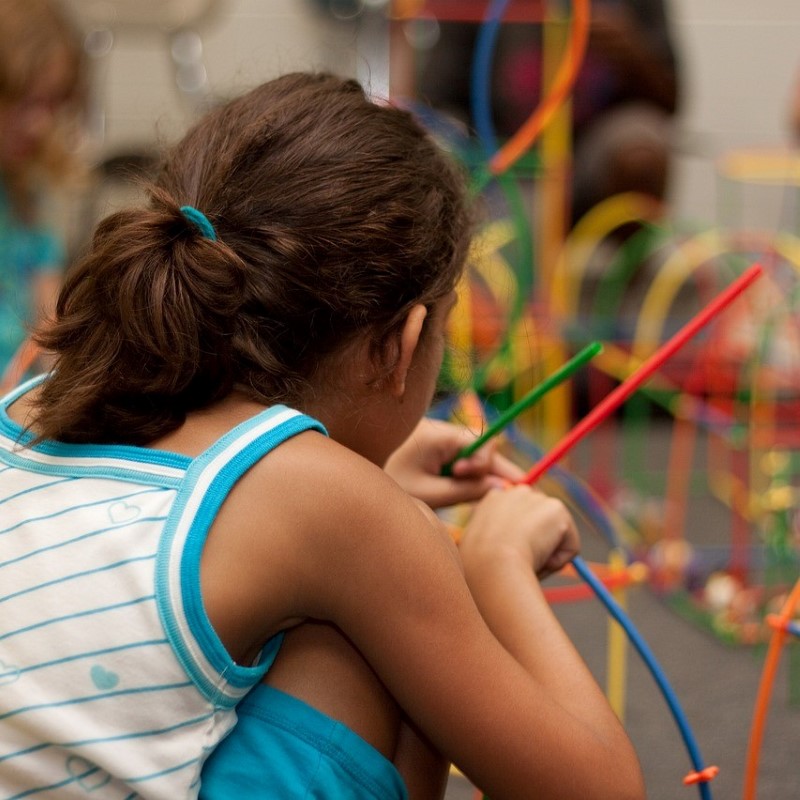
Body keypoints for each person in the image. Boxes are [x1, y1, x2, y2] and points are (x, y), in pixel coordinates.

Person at [0, 72, 645, 799]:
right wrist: (495, 565)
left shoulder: (37, 401)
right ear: (401, 345)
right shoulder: (341, 512)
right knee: (371, 637)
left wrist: (380, 484)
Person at [418, 0, 681, 225]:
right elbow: (435, 99)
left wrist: (630, 51)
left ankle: (627, 266)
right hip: (503, 159)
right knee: (523, 227)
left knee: (640, 155)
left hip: (593, 155)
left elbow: (672, 100)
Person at [0, 0, 86, 382]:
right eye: (26, 102)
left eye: (52, 104)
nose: (41, 123)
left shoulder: (29, 191)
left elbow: (49, 330)